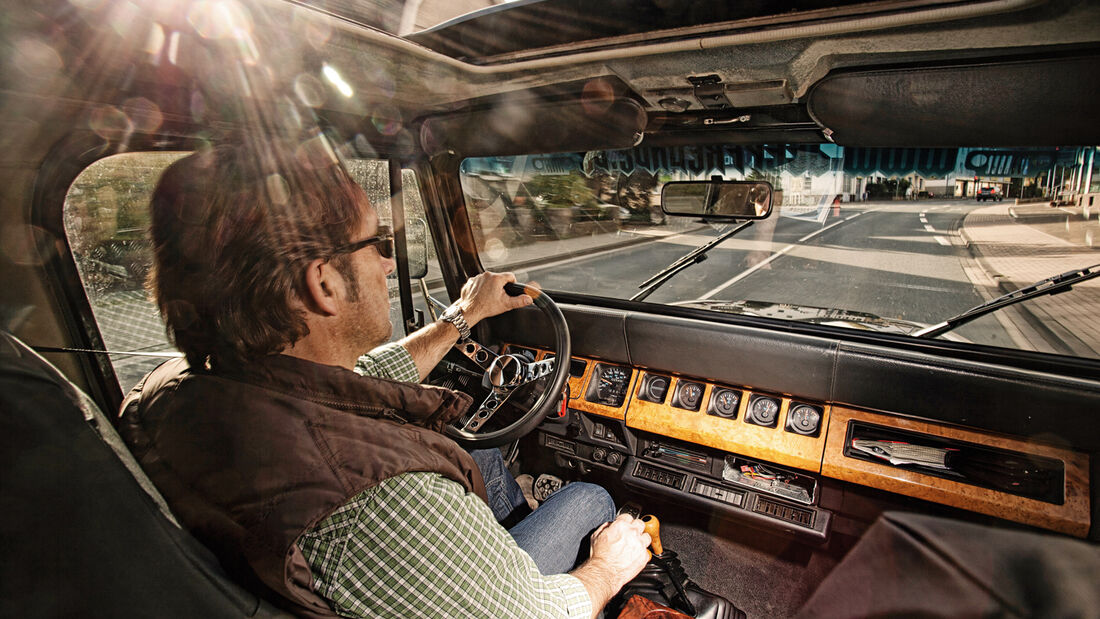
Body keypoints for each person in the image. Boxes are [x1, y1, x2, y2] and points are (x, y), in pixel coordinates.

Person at [118, 135, 651, 618]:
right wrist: (606, 568)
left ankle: (492, 554)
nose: (387, 263)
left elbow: (359, 381)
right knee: (591, 503)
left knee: (481, 456)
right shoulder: (387, 499)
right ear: (323, 284)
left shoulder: (172, 392)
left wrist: (460, 318)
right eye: (377, 243)